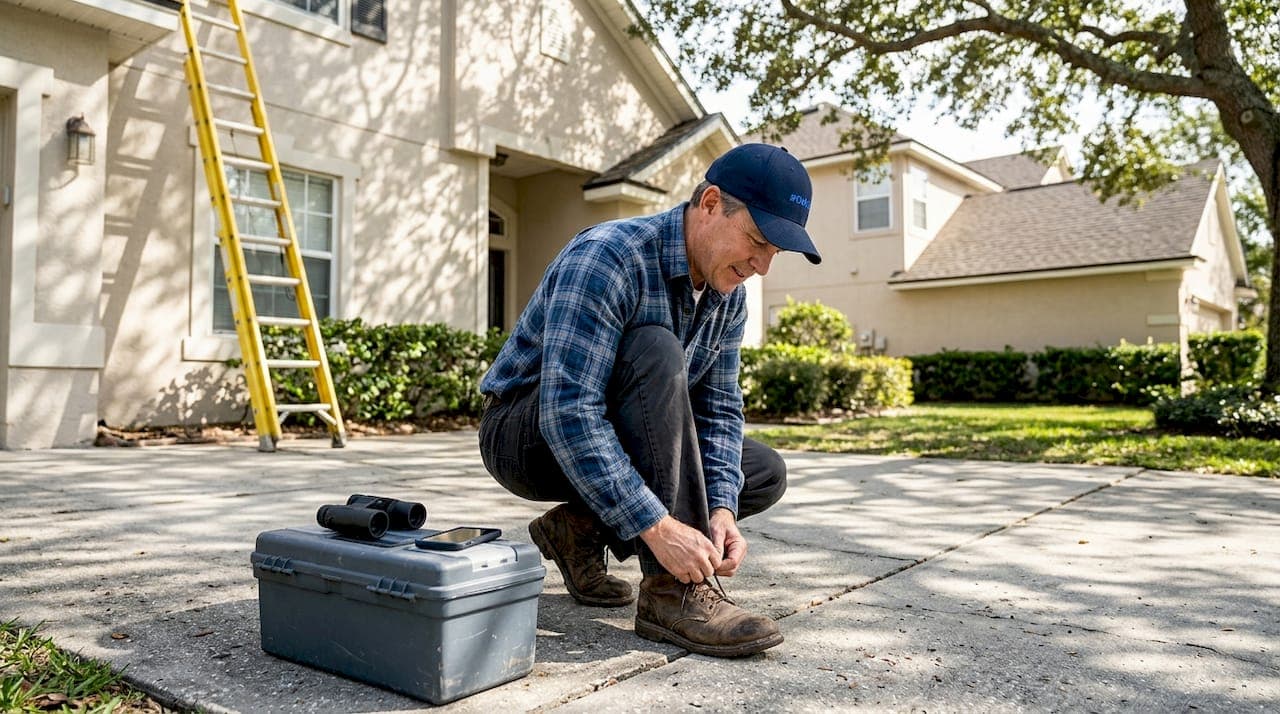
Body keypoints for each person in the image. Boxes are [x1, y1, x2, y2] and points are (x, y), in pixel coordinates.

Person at [477, 143, 821, 658]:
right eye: (757, 240)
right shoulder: (608, 256)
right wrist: (658, 528)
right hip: (526, 436)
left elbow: (719, 410)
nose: (763, 265)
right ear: (709, 204)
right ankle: (670, 593)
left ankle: (578, 530)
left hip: (612, 432)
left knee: (762, 469)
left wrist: (721, 509)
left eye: (776, 251)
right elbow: (567, 412)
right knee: (655, 348)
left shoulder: (730, 295)